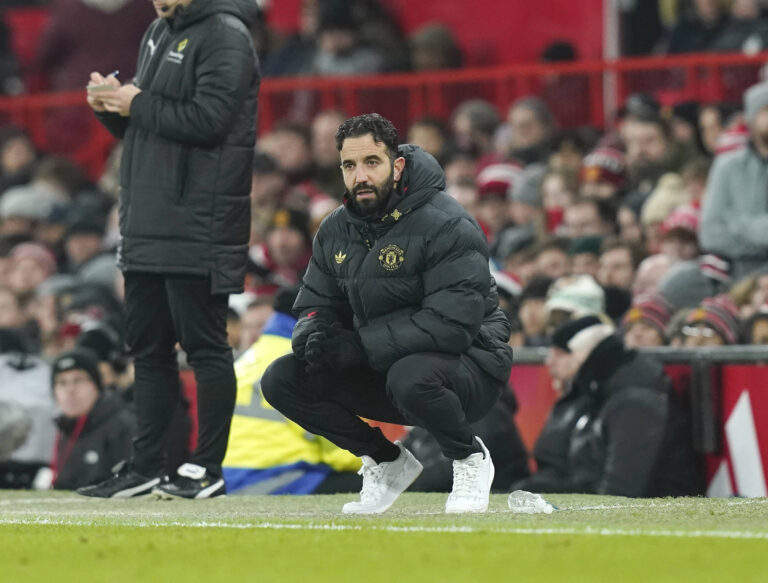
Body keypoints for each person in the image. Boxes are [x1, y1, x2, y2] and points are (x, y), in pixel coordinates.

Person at [261, 114, 514, 514]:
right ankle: (386, 461)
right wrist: (315, 335)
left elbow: (453, 326)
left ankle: (469, 458)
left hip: (469, 369)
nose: (360, 175)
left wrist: (357, 347)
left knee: (410, 375)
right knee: (281, 378)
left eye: (371, 163)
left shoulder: (448, 224)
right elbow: (315, 303)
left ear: (396, 166)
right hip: (387, 369)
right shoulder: (333, 230)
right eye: (349, 165)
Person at [79, 0, 259, 499]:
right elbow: (149, 126)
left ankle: (207, 469)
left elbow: (211, 121)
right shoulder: (159, 30)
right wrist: (113, 106)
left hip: (197, 219)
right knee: (149, 351)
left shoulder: (225, 33)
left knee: (205, 347)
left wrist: (137, 102)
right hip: (146, 219)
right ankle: (145, 468)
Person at [513, 316, 703, 497]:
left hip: (656, 516)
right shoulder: (595, 393)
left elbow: (621, 491)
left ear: (584, 354)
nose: (549, 362)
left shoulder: (635, 400)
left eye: (560, 354)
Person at [701, 81, 768, 280]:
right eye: (765, 111)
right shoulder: (728, 166)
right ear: (749, 118)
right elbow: (710, 233)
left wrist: (739, 224)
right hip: (740, 276)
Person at [51, 348, 137, 491]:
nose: (70, 390)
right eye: (62, 382)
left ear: (97, 385)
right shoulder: (65, 427)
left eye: (78, 380)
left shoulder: (123, 426)